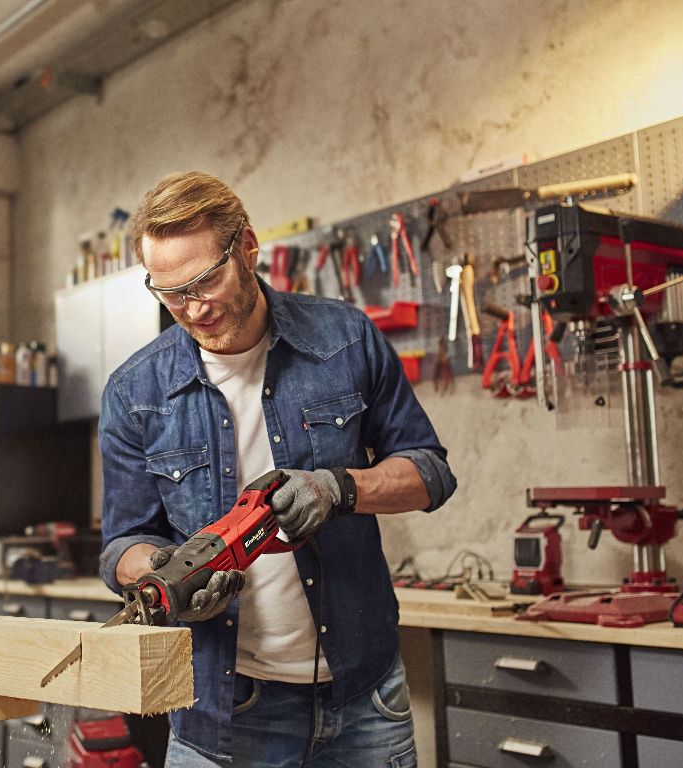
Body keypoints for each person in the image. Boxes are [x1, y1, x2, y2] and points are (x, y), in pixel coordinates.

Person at [98, 171, 456, 768]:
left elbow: (430, 473)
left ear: (247, 247)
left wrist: (341, 488)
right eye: (169, 292)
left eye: (205, 280)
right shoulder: (135, 391)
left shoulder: (345, 339)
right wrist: (164, 575)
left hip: (364, 697)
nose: (192, 307)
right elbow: (121, 545)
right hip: (224, 706)